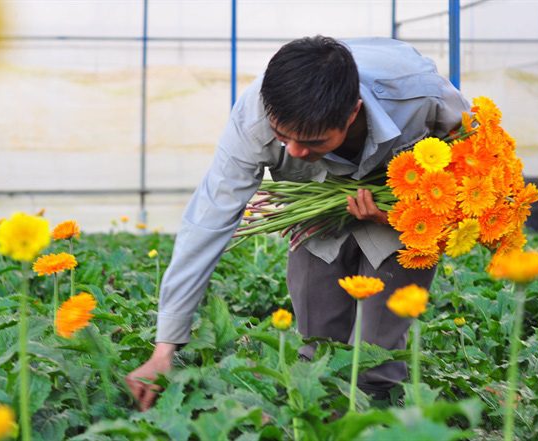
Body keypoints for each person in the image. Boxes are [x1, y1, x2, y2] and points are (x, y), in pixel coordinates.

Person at [125, 36, 469, 409]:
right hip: (315, 209)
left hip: (400, 212)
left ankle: (374, 416)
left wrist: (397, 214)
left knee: (376, 359)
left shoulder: (418, 94)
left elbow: (478, 157)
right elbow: (207, 222)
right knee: (318, 350)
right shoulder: (253, 118)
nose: (295, 151)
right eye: (282, 137)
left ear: (352, 113)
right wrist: (165, 347)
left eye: (313, 141)